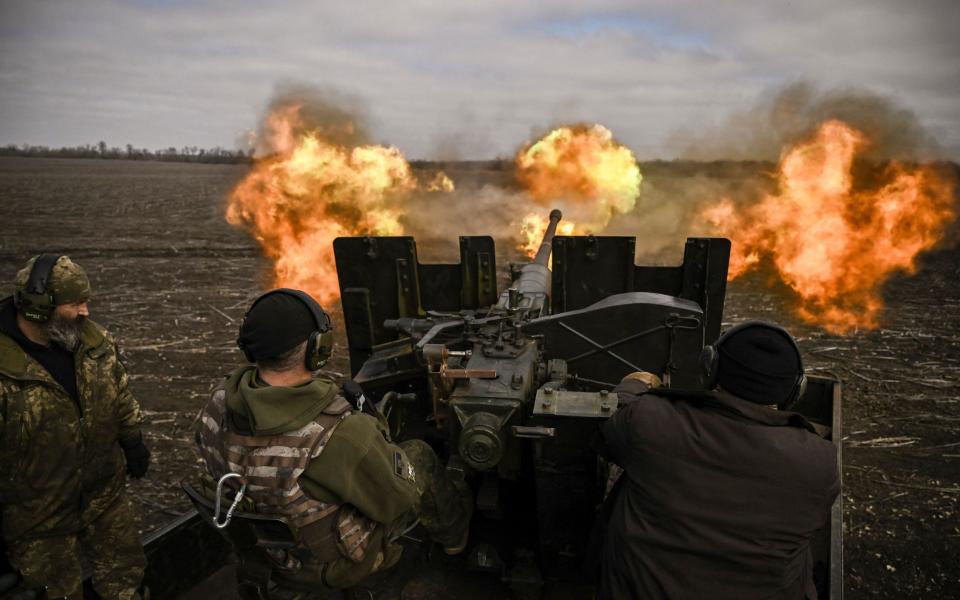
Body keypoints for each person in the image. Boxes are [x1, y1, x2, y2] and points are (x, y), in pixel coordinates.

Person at [195, 288, 472, 592]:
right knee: (419, 455)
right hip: (327, 566)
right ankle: (455, 541)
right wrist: (372, 424)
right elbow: (397, 500)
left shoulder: (217, 404)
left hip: (265, 555)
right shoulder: (342, 432)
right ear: (319, 349)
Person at [598, 320, 840, 600]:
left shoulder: (652, 421)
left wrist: (635, 382)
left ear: (710, 368)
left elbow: (611, 426)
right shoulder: (819, 461)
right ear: (795, 390)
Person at [0, 254, 150, 599]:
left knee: (126, 577)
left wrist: (132, 440)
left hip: (103, 494)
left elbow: (119, 394)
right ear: (39, 307)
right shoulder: (6, 370)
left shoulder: (93, 344)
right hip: (39, 516)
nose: (85, 312)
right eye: (75, 304)